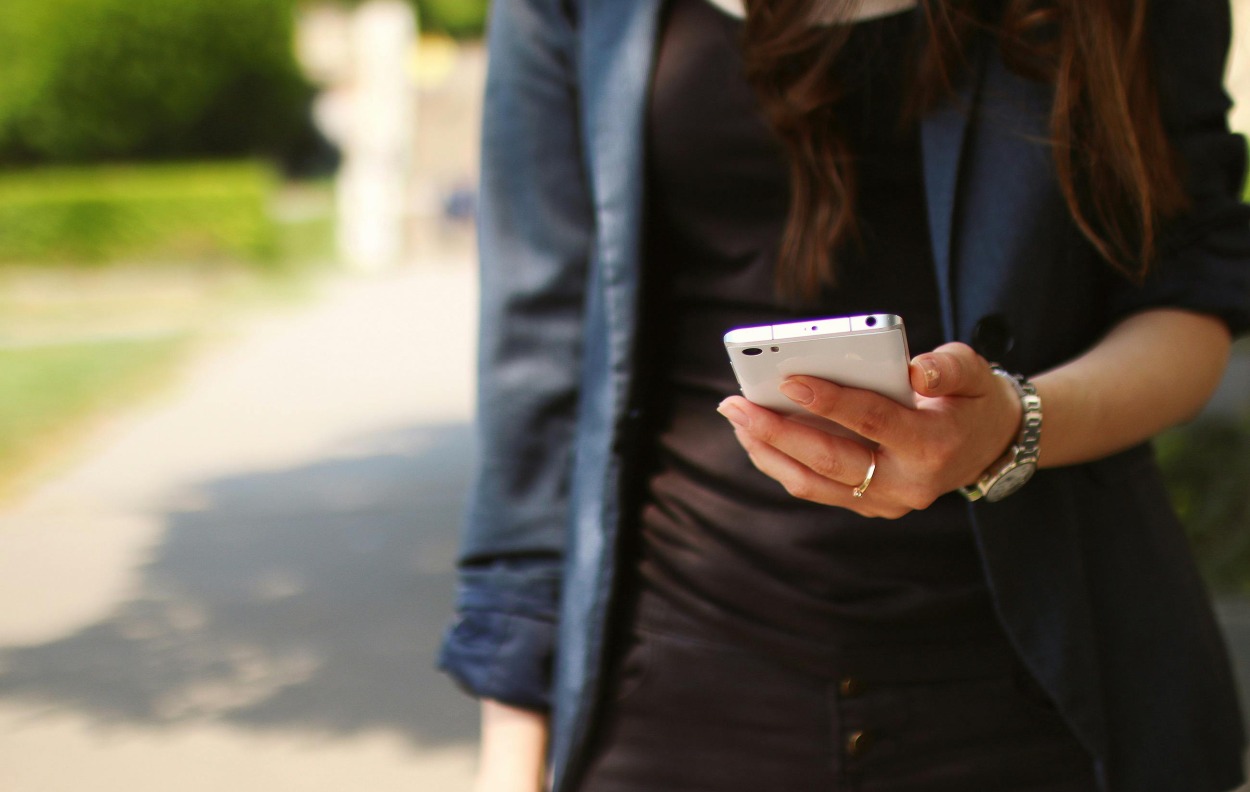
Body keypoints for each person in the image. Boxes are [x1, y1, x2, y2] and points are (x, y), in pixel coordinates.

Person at [439, 0, 1250, 790]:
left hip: (1049, 690)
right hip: (672, 688)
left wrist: (1013, 426)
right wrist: (512, 749)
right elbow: (539, 363)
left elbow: (1191, 296)